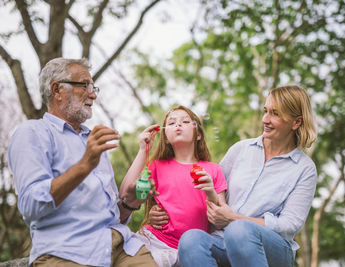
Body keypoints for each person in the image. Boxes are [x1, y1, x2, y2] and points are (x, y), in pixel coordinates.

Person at [8, 58, 158, 267]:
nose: (93, 94)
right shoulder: (32, 133)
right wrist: (84, 165)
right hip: (64, 252)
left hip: (122, 248)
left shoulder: (92, 140)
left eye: (93, 86)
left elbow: (110, 216)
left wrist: (129, 203)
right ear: (57, 90)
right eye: (84, 85)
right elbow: (31, 206)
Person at [151, 85, 317, 267]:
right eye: (265, 111)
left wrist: (235, 219)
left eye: (275, 114)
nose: (265, 119)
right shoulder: (240, 150)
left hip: (273, 249)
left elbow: (289, 225)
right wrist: (161, 213)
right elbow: (208, 194)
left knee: (239, 230)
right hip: (222, 240)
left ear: (296, 122)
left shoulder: (304, 168)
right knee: (190, 239)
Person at [119, 105, 227, 267]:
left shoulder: (213, 169)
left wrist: (210, 192)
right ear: (166, 138)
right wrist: (143, 150)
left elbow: (220, 221)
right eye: (171, 123)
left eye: (185, 121)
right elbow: (125, 195)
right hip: (155, 241)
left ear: (198, 135)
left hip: (192, 249)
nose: (178, 124)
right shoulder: (157, 166)